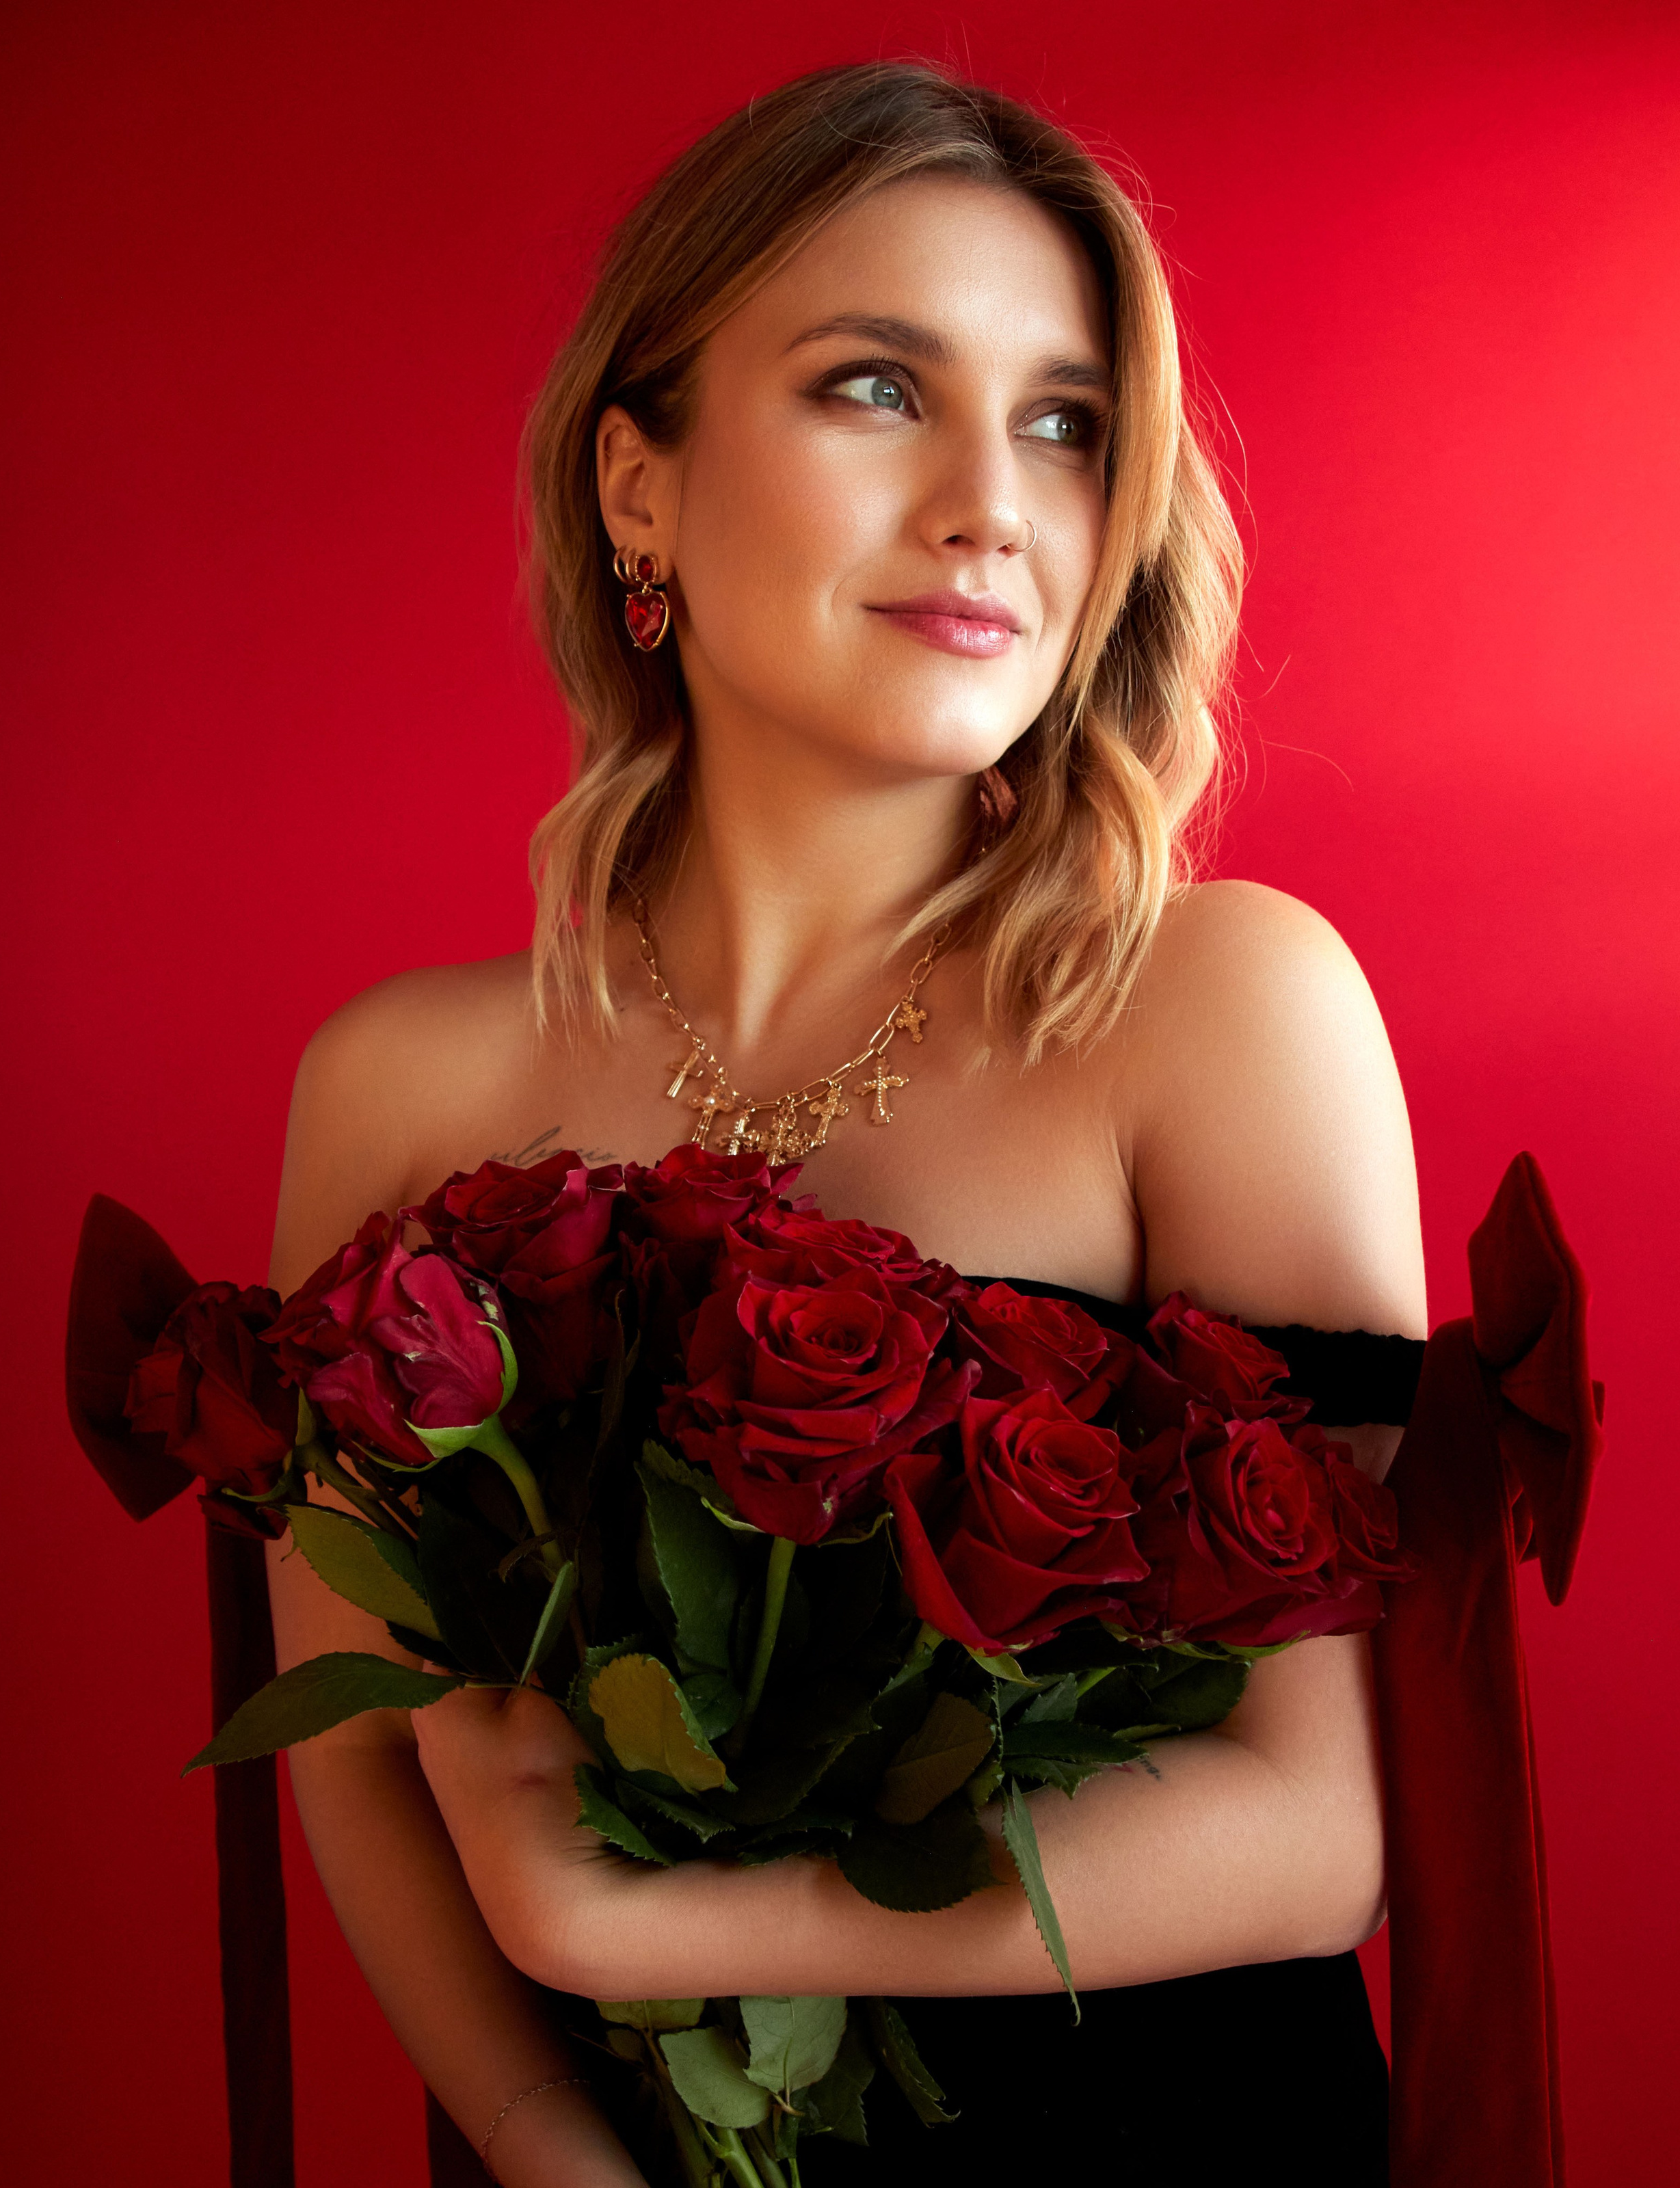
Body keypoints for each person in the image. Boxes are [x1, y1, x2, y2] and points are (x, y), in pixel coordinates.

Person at [265, 62, 1422, 2187]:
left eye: (1068, 423)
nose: (997, 498)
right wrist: (545, 2141)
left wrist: (637, 1920)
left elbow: (1318, 1829)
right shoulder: (398, 1088)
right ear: (640, 487)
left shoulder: (1224, 1004)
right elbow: (348, 1748)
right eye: (879, 387)